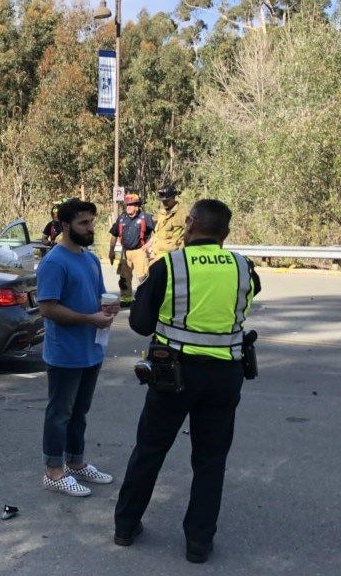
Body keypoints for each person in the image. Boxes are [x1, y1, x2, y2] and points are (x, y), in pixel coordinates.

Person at [114, 199, 259, 563]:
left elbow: (140, 324)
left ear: (190, 224)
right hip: (224, 375)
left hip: (173, 373)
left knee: (150, 449)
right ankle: (198, 544)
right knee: (210, 460)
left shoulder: (169, 266)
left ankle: (125, 527)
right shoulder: (244, 268)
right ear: (225, 233)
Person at [36, 198, 119, 497]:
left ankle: (76, 462)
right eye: (83, 223)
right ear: (65, 225)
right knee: (59, 414)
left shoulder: (90, 259)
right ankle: (53, 472)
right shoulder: (54, 262)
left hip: (91, 350)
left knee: (79, 413)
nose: (90, 228)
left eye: (92, 222)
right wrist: (89, 319)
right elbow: (47, 308)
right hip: (65, 354)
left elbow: (98, 297)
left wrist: (109, 309)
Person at [108, 193, 154, 304]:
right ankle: (126, 299)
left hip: (140, 251)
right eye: (127, 205)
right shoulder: (121, 218)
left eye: (131, 205)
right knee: (124, 278)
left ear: (137, 206)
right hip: (125, 252)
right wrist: (111, 251)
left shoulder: (145, 217)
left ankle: (143, 300)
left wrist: (149, 244)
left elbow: (159, 232)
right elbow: (114, 235)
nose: (128, 207)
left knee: (143, 278)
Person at [148, 184, 188, 262]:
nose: (164, 203)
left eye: (167, 201)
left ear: (173, 197)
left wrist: (180, 252)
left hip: (172, 256)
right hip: (156, 254)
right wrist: (151, 245)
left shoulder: (182, 213)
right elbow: (158, 232)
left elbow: (189, 233)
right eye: (163, 201)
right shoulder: (162, 212)